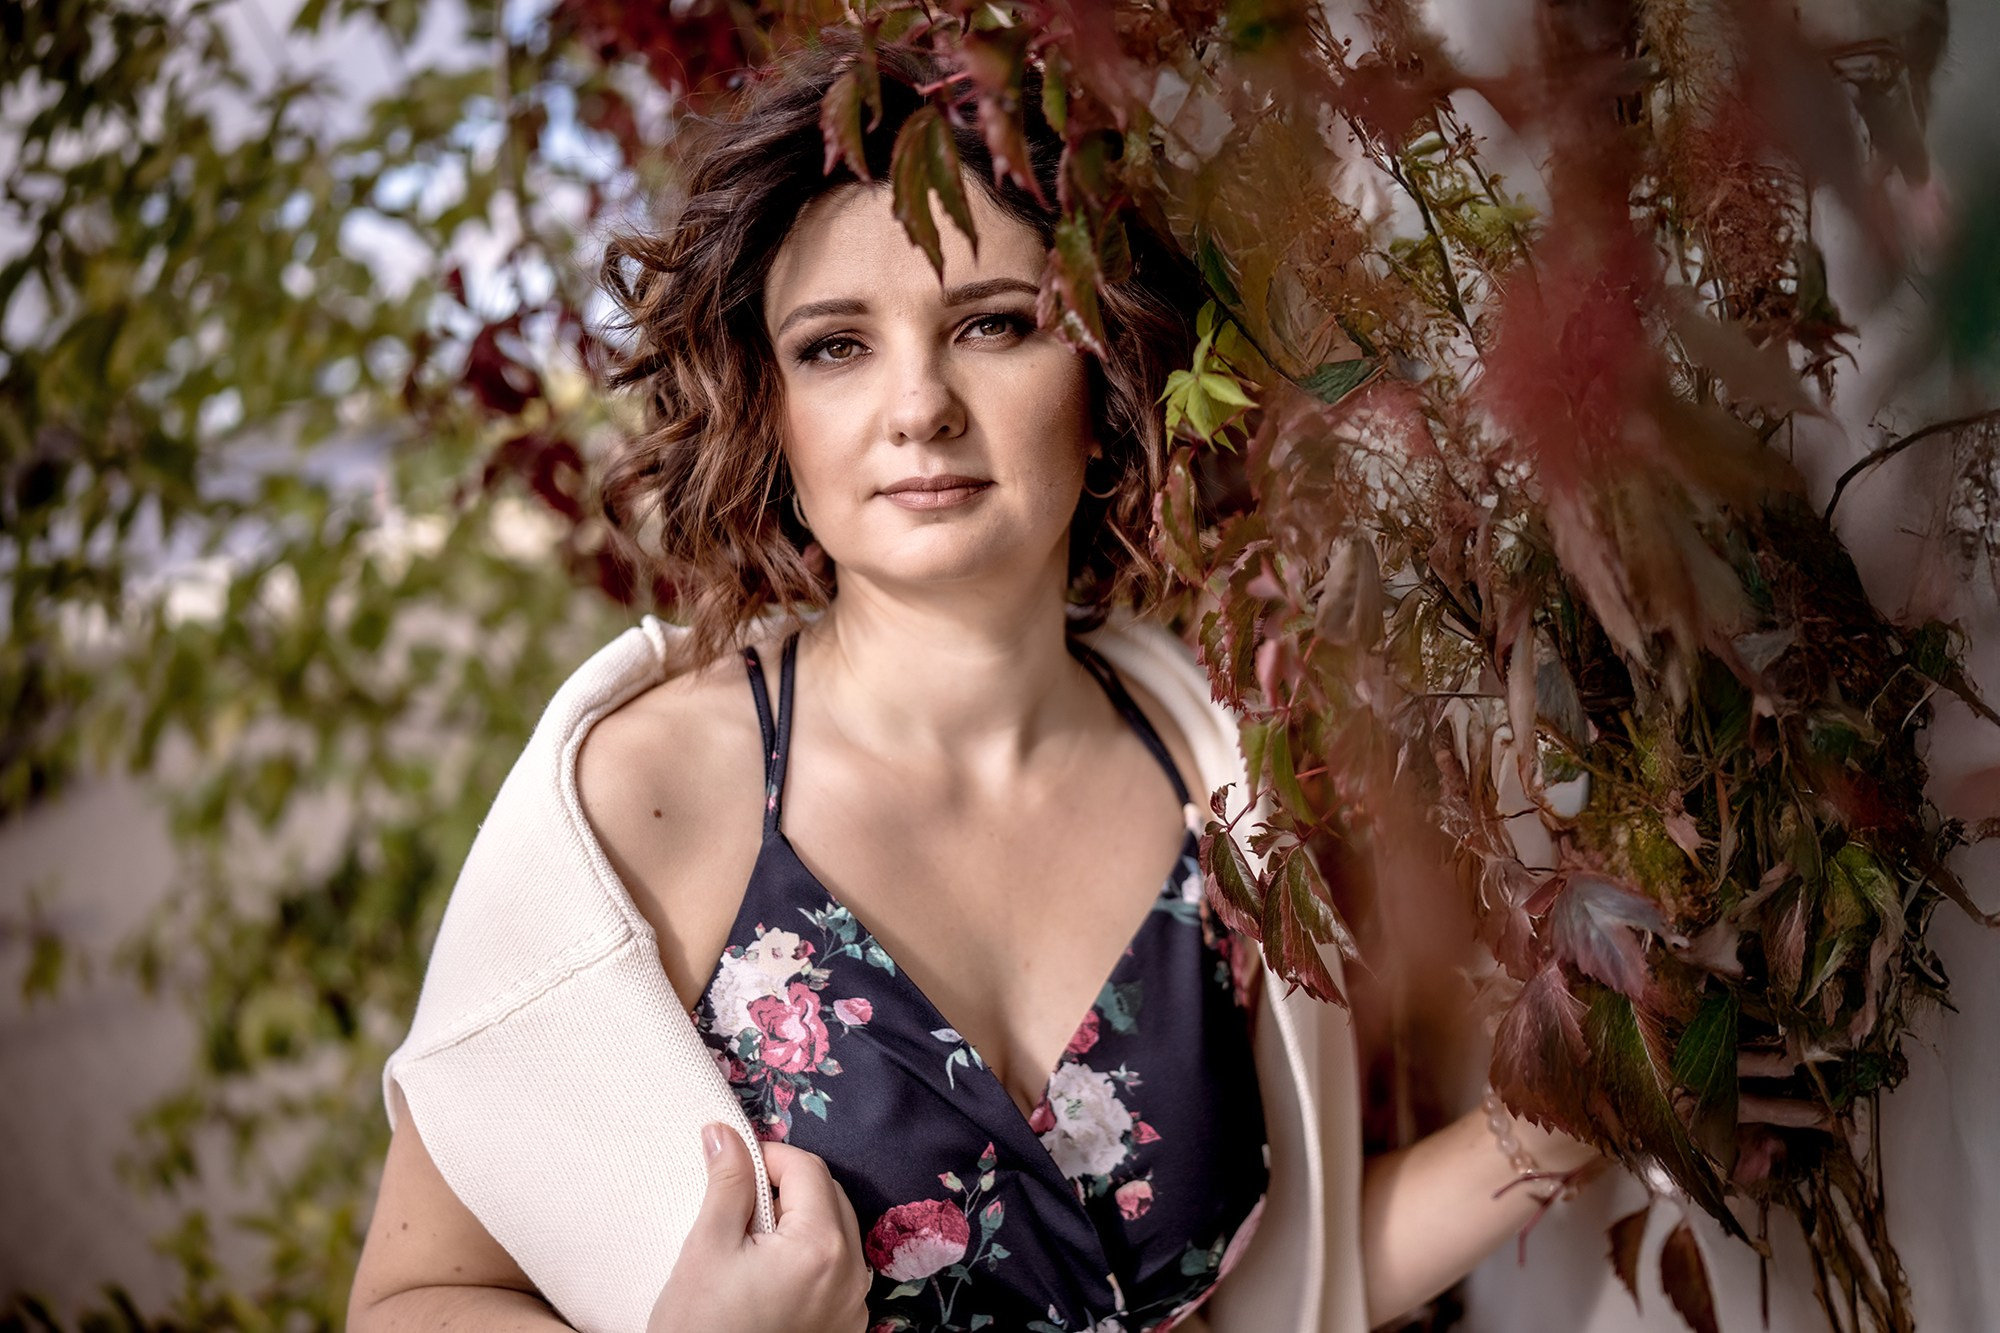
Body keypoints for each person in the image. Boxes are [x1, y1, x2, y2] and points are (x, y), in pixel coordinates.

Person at [345, 38, 1601, 1333]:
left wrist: (1568, 1117)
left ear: (1104, 370)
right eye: (835, 347)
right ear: (768, 407)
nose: (919, 406)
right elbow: (408, 1298)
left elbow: (1291, 1289)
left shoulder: (1218, 777)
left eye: (994, 324)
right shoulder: (651, 797)